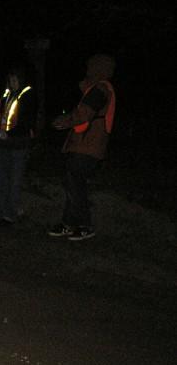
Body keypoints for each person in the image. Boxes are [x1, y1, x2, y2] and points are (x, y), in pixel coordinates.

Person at [48, 54, 116, 241]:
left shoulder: (100, 89)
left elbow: (84, 113)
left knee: (75, 184)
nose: (87, 69)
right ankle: (69, 223)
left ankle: (84, 225)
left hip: (88, 146)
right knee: (73, 183)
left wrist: (64, 121)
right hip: (84, 145)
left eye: (90, 66)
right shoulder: (96, 88)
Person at [0, 67, 35, 224]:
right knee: (1, 179)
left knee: (14, 181)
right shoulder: (6, 96)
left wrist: (11, 134)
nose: (13, 83)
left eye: (15, 80)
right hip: (2, 143)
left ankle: (9, 215)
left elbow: (26, 122)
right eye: (10, 80)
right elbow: (0, 118)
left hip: (18, 145)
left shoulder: (28, 96)